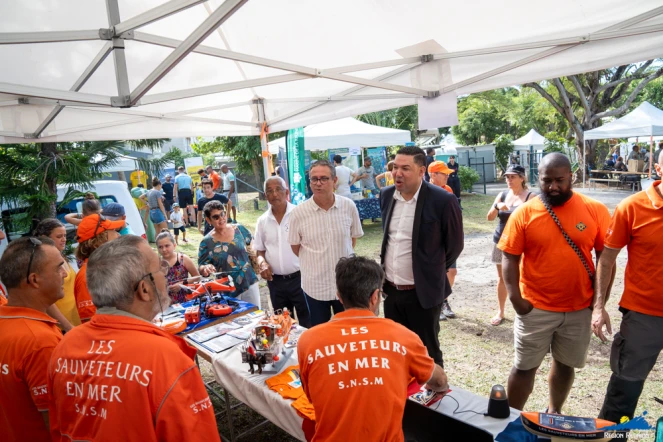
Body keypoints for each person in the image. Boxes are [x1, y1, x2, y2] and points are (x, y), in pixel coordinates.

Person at [48, 235, 221, 441]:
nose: (165, 275)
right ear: (144, 290)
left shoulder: (64, 345)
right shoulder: (165, 358)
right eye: (159, 269)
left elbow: (59, 428)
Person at [497, 153, 611, 413]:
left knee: (565, 364)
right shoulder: (524, 213)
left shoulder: (595, 210)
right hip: (535, 307)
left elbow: (606, 258)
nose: (553, 187)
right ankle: (510, 419)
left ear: (571, 176)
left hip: (579, 308)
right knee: (524, 367)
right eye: (547, 180)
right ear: (539, 178)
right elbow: (509, 256)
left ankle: (554, 412)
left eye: (560, 180)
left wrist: (598, 303)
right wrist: (516, 299)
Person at [298, 256, 448, 441]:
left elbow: (311, 397)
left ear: (339, 296)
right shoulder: (403, 337)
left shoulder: (308, 340)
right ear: (375, 296)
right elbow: (439, 381)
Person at [592, 150, 663, 423]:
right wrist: (599, 307)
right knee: (623, 393)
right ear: (657, 169)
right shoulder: (632, 207)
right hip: (643, 317)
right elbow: (606, 259)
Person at [380, 146, 463, 367]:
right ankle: (404, 395)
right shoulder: (387, 196)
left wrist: (431, 269)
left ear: (421, 171)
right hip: (391, 292)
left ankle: (434, 396)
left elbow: (455, 245)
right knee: (396, 350)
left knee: (427, 352)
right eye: (395, 167)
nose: (398, 173)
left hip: (423, 294)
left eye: (405, 168)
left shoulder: (443, 200)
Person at [0, 236, 67, 442]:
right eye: (58, 268)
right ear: (34, 280)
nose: (64, 274)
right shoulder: (40, 342)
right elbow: (59, 424)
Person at [289, 160, 363, 326]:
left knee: (347, 332)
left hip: (345, 286)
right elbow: (296, 247)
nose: (318, 183)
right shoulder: (298, 213)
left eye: (324, 178)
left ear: (334, 181)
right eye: (314, 179)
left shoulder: (348, 206)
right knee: (317, 333)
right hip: (314, 286)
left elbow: (352, 240)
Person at [254, 177, 311, 328]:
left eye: (278, 189)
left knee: (308, 321)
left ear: (286, 192)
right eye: (270, 191)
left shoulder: (300, 214)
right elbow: (259, 251)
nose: (274, 194)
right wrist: (262, 262)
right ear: (265, 196)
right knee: (282, 324)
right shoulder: (262, 221)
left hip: (301, 279)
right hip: (275, 282)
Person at [486, 165, 534, 326]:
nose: (509, 180)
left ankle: (525, 311)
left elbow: (535, 221)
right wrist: (497, 206)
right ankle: (500, 311)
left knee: (524, 278)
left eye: (513, 176)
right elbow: (489, 218)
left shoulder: (531, 197)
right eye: (507, 177)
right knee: (503, 279)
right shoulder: (502, 194)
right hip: (501, 241)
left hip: (523, 244)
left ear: (522, 178)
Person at [198, 201, 260, 307]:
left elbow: (254, 245)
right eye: (216, 217)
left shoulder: (239, 229)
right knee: (235, 321)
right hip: (227, 289)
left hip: (249, 282)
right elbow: (201, 266)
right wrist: (206, 268)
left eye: (222, 214)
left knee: (256, 316)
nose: (221, 218)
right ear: (208, 220)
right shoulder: (206, 242)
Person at [74, 214, 124, 322]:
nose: (118, 235)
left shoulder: (104, 267)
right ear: (102, 238)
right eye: (114, 231)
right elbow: (91, 322)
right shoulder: (87, 276)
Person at [34, 218, 81, 328]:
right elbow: (46, 300)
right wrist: (67, 326)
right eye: (59, 236)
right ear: (45, 238)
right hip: (62, 325)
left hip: (75, 318)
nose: (64, 239)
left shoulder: (60, 255)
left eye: (65, 235)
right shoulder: (43, 261)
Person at [427, 160, 459, 320]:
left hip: (447, 239)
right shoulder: (423, 191)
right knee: (434, 274)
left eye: (448, 173)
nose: (447, 176)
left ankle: (444, 300)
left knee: (451, 271)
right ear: (433, 175)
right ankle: (436, 304)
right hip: (432, 241)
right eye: (444, 173)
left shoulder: (448, 190)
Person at [157, 229, 200, 304]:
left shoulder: (183, 259)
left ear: (174, 245)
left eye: (167, 246)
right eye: (160, 247)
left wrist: (182, 284)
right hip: (166, 303)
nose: (164, 249)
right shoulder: (157, 264)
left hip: (186, 300)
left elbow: (197, 277)